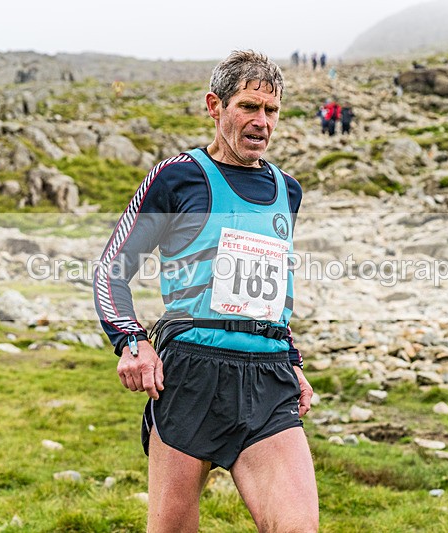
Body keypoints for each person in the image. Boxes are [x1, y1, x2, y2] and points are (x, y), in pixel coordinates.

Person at [93, 50, 318, 533]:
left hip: (267, 379)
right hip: (191, 376)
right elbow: (112, 269)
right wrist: (132, 341)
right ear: (215, 106)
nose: (261, 121)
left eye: (271, 110)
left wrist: (292, 359)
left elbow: (273, 288)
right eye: (248, 107)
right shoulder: (178, 177)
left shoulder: (288, 190)